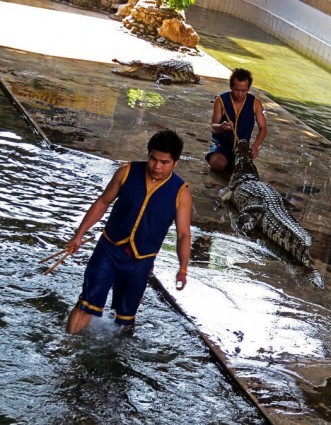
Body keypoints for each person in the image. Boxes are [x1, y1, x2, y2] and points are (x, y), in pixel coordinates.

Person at [65, 129, 192, 334]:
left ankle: (117, 357)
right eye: (153, 159)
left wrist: (183, 268)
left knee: (125, 318)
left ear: (175, 163)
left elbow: (183, 234)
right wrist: (78, 234)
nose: (157, 166)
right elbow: (103, 202)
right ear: (148, 155)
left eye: (164, 162)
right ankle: (66, 347)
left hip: (141, 260)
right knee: (86, 303)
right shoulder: (126, 172)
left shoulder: (181, 193)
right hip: (108, 249)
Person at [206, 68, 267, 173]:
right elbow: (214, 127)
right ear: (231, 87)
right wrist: (221, 126)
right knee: (217, 163)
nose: (240, 94)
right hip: (221, 146)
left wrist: (256, 146)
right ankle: (234, 168)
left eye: (244, 91)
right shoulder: (220, 100)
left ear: (248, 89)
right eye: (236, 90)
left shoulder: (255, 102)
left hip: (242, 148)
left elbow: (263, 128)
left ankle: (235, 167)